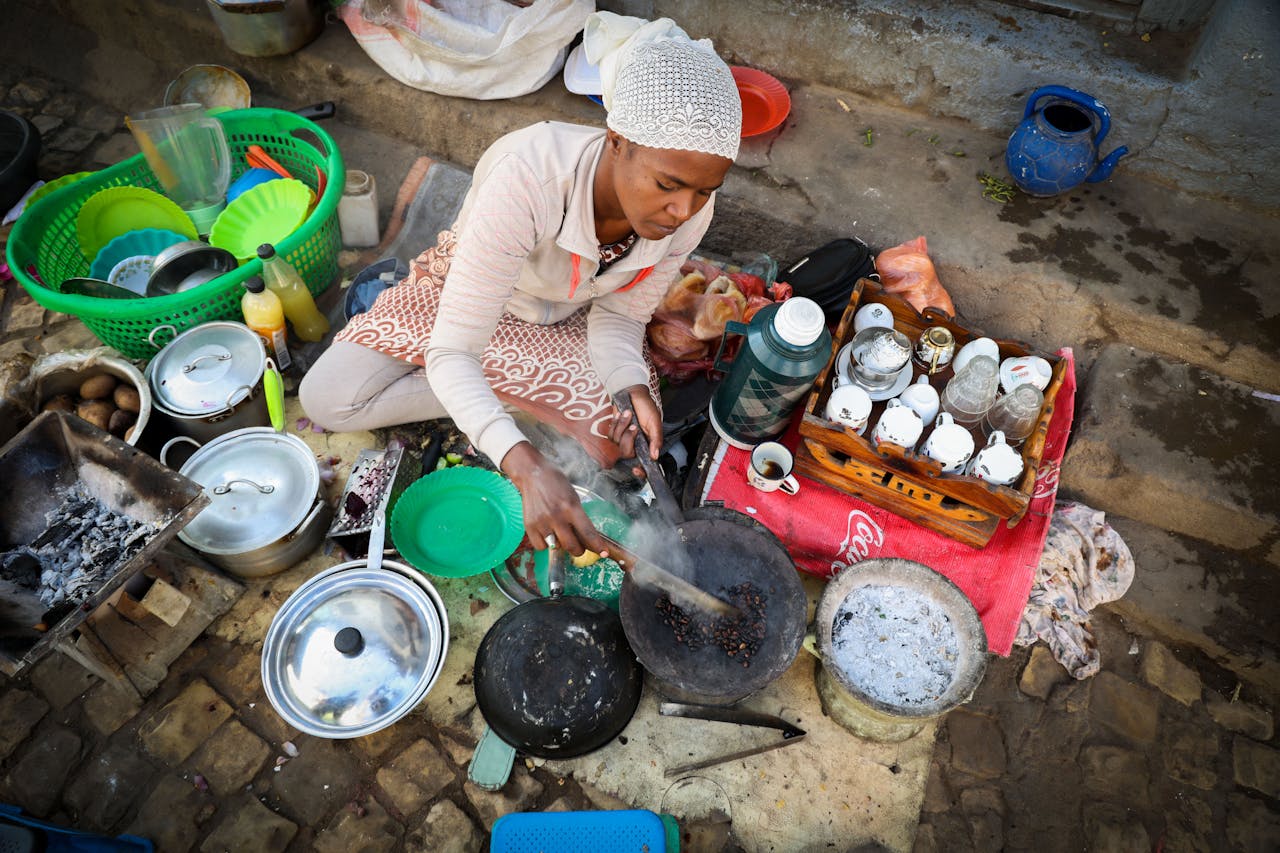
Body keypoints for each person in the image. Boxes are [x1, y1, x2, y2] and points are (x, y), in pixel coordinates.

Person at [300, 24, 742, 560]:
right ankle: (506, 404)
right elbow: (456, 347)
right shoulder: (528, 178)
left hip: (566, 324)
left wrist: (631, 385)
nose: (683, 213)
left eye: (705, 191)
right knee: (328, 396)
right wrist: (523, 460)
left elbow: (620, 319)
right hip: (470, 298)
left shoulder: (691, 211)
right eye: (668, 185)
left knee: (612, 439)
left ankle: (496, 400)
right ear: (616, 142)